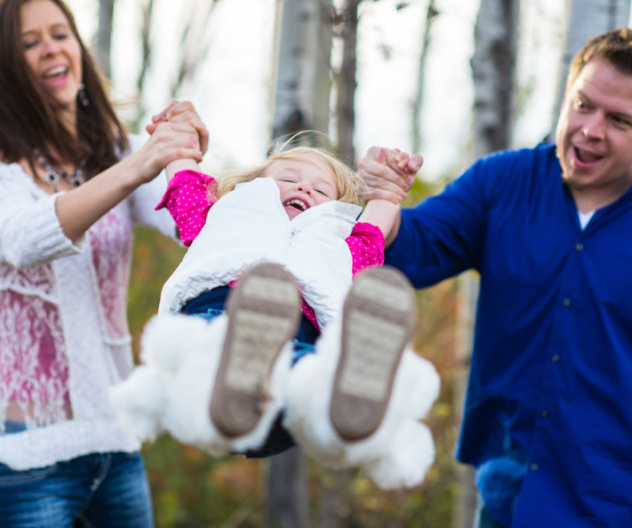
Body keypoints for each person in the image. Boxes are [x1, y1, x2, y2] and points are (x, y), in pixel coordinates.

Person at [357, 27, 632, 528]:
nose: (591, 130)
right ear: (567, 94)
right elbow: (413, 248)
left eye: (619, 120)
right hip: (504, 500)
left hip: (618, 510)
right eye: (583, 105)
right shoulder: (500, 182)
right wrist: (383, 201)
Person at [0, 0, 206, 528]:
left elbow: (192, 225)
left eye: (60, 34)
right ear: (4, 71)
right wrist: (136, 166)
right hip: (22, 461)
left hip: (116, 442)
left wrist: (185, 160)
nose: (51, 49)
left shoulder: (114, 153)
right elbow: (26, 238)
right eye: (30, 43)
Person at [110, 116, 440, 490]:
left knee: (304, 373)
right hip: (214, 314)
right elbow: (185, 180)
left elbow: (375, 223)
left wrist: (388, 192)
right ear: (252, 187)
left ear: (334, 209)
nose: (303, 187)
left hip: (296, 334)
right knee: (209, 342)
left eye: (321, 190)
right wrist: (179, 138)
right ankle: (236, 385)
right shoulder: (223, 213)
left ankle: (349, 402)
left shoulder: (339, 242)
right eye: (287, 179)